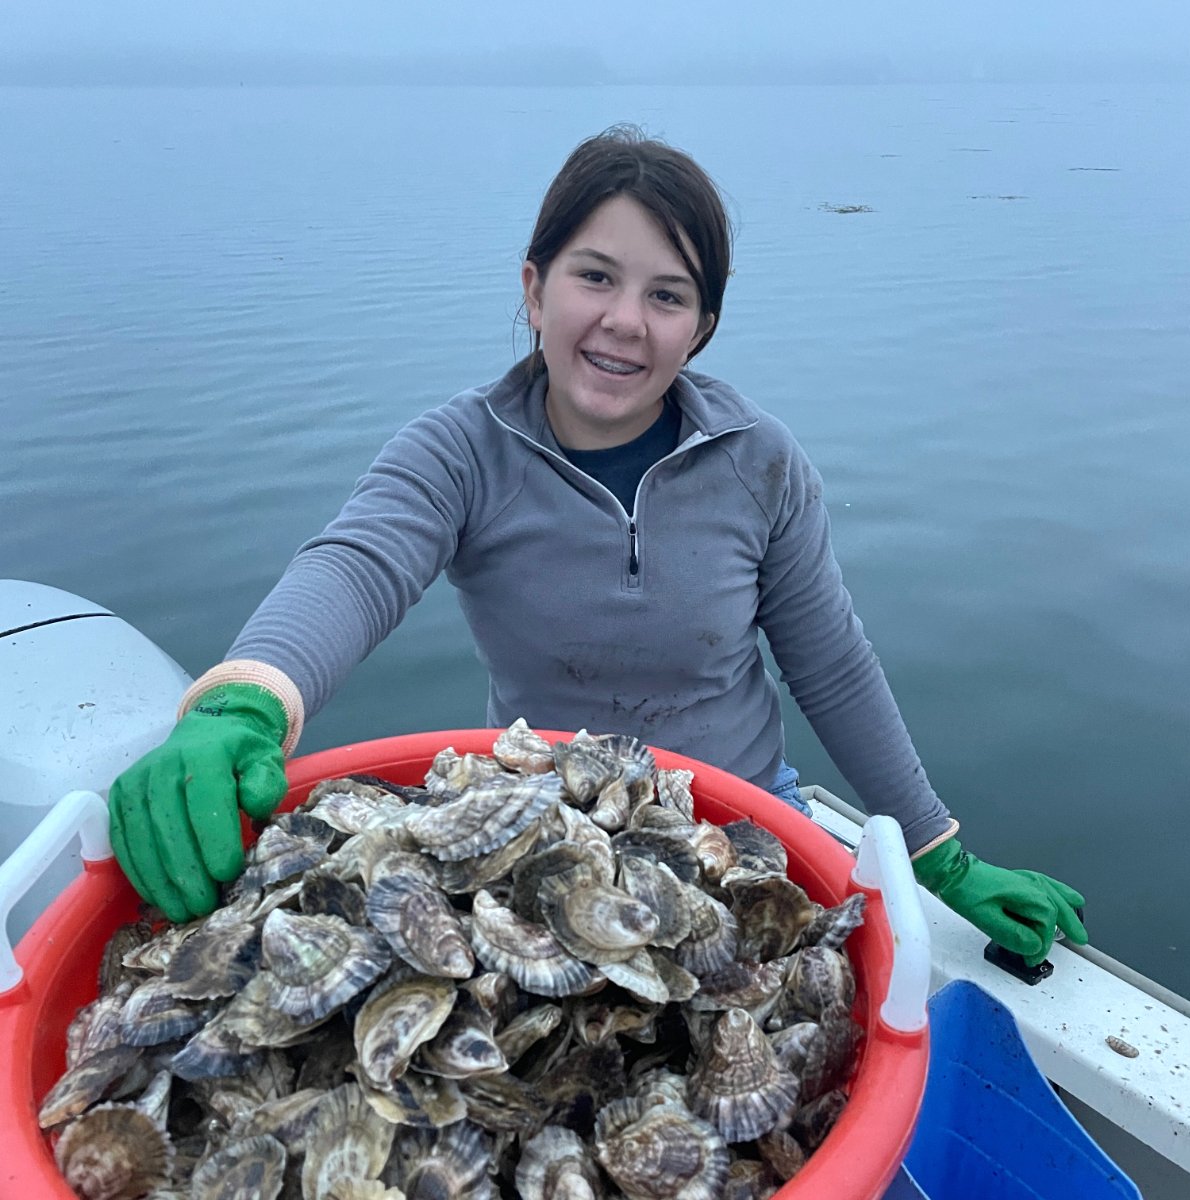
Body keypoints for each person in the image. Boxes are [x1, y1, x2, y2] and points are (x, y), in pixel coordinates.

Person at [108, 125, 1088, 969]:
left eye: (668, 295)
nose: (625, 321)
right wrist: (244, 700)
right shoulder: (461, 452)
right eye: (595, 277)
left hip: (740, 834)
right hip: (540, 840)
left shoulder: (760, 463)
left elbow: (831, 668)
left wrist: (937, 853)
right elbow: (355, 566)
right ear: (534, 289)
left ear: (701, 326)